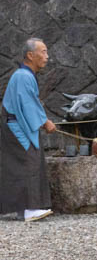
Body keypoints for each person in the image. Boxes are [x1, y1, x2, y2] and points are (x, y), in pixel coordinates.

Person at [1, 38, 56, 223]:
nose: (46, 57)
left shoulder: (24, 75)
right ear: (30, 55)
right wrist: (44, 121)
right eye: (43, 52)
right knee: (29, 162)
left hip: (15, 125)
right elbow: (28, 105)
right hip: (17, 127)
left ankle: (22, 209)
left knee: (21, 165)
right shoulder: (23, 76)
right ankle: (29, 209)